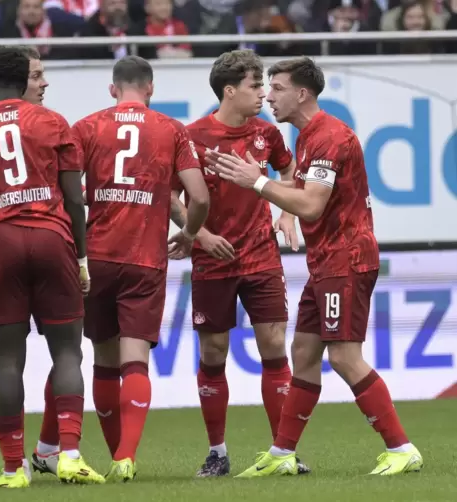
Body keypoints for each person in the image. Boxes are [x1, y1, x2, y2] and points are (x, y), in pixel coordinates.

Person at [206, 57, 423, 477]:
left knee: (343, 356)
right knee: (303, 352)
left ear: (302, 93)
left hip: (346, 260)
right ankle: (282, 453)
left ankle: (402, 447)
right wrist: (249, 177)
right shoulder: (309, 136)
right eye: (267, 87)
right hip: (326, 261)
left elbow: (310, 203)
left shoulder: (329, 137)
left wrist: (257, 182)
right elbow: (302, 188)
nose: (268, 95)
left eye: (277, 88)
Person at [0, 46, 105, 489]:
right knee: (68, 353)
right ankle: (70, 455)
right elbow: (75, 198)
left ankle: (13, 469)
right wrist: (81, 256)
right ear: (24, 80)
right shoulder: (53, 122)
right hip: (53, 238)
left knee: (8, 364)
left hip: (0, 245)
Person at [168, 49, 310, 477]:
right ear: (230, 91)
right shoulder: (190, 137)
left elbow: (289, 174)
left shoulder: (268, 134)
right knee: (213, 352)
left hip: (261, 256)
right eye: (255, 86)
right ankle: (218, 452)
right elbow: (169, 196)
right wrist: (201, 236)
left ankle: (283, 452)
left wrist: (286, 212)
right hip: (212, 260)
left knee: (273, 344)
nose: (263, 94)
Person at [71, 55, 210, 482]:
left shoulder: (87, 127)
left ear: (113, 89)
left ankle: (113, 450)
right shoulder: (171, 129)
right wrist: (188, 234)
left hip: (96, 256)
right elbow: (200, 197)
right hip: (145, 259)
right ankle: (126, 457)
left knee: (102, 359)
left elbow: (69, 193)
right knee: (135, 362)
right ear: (151, 88)